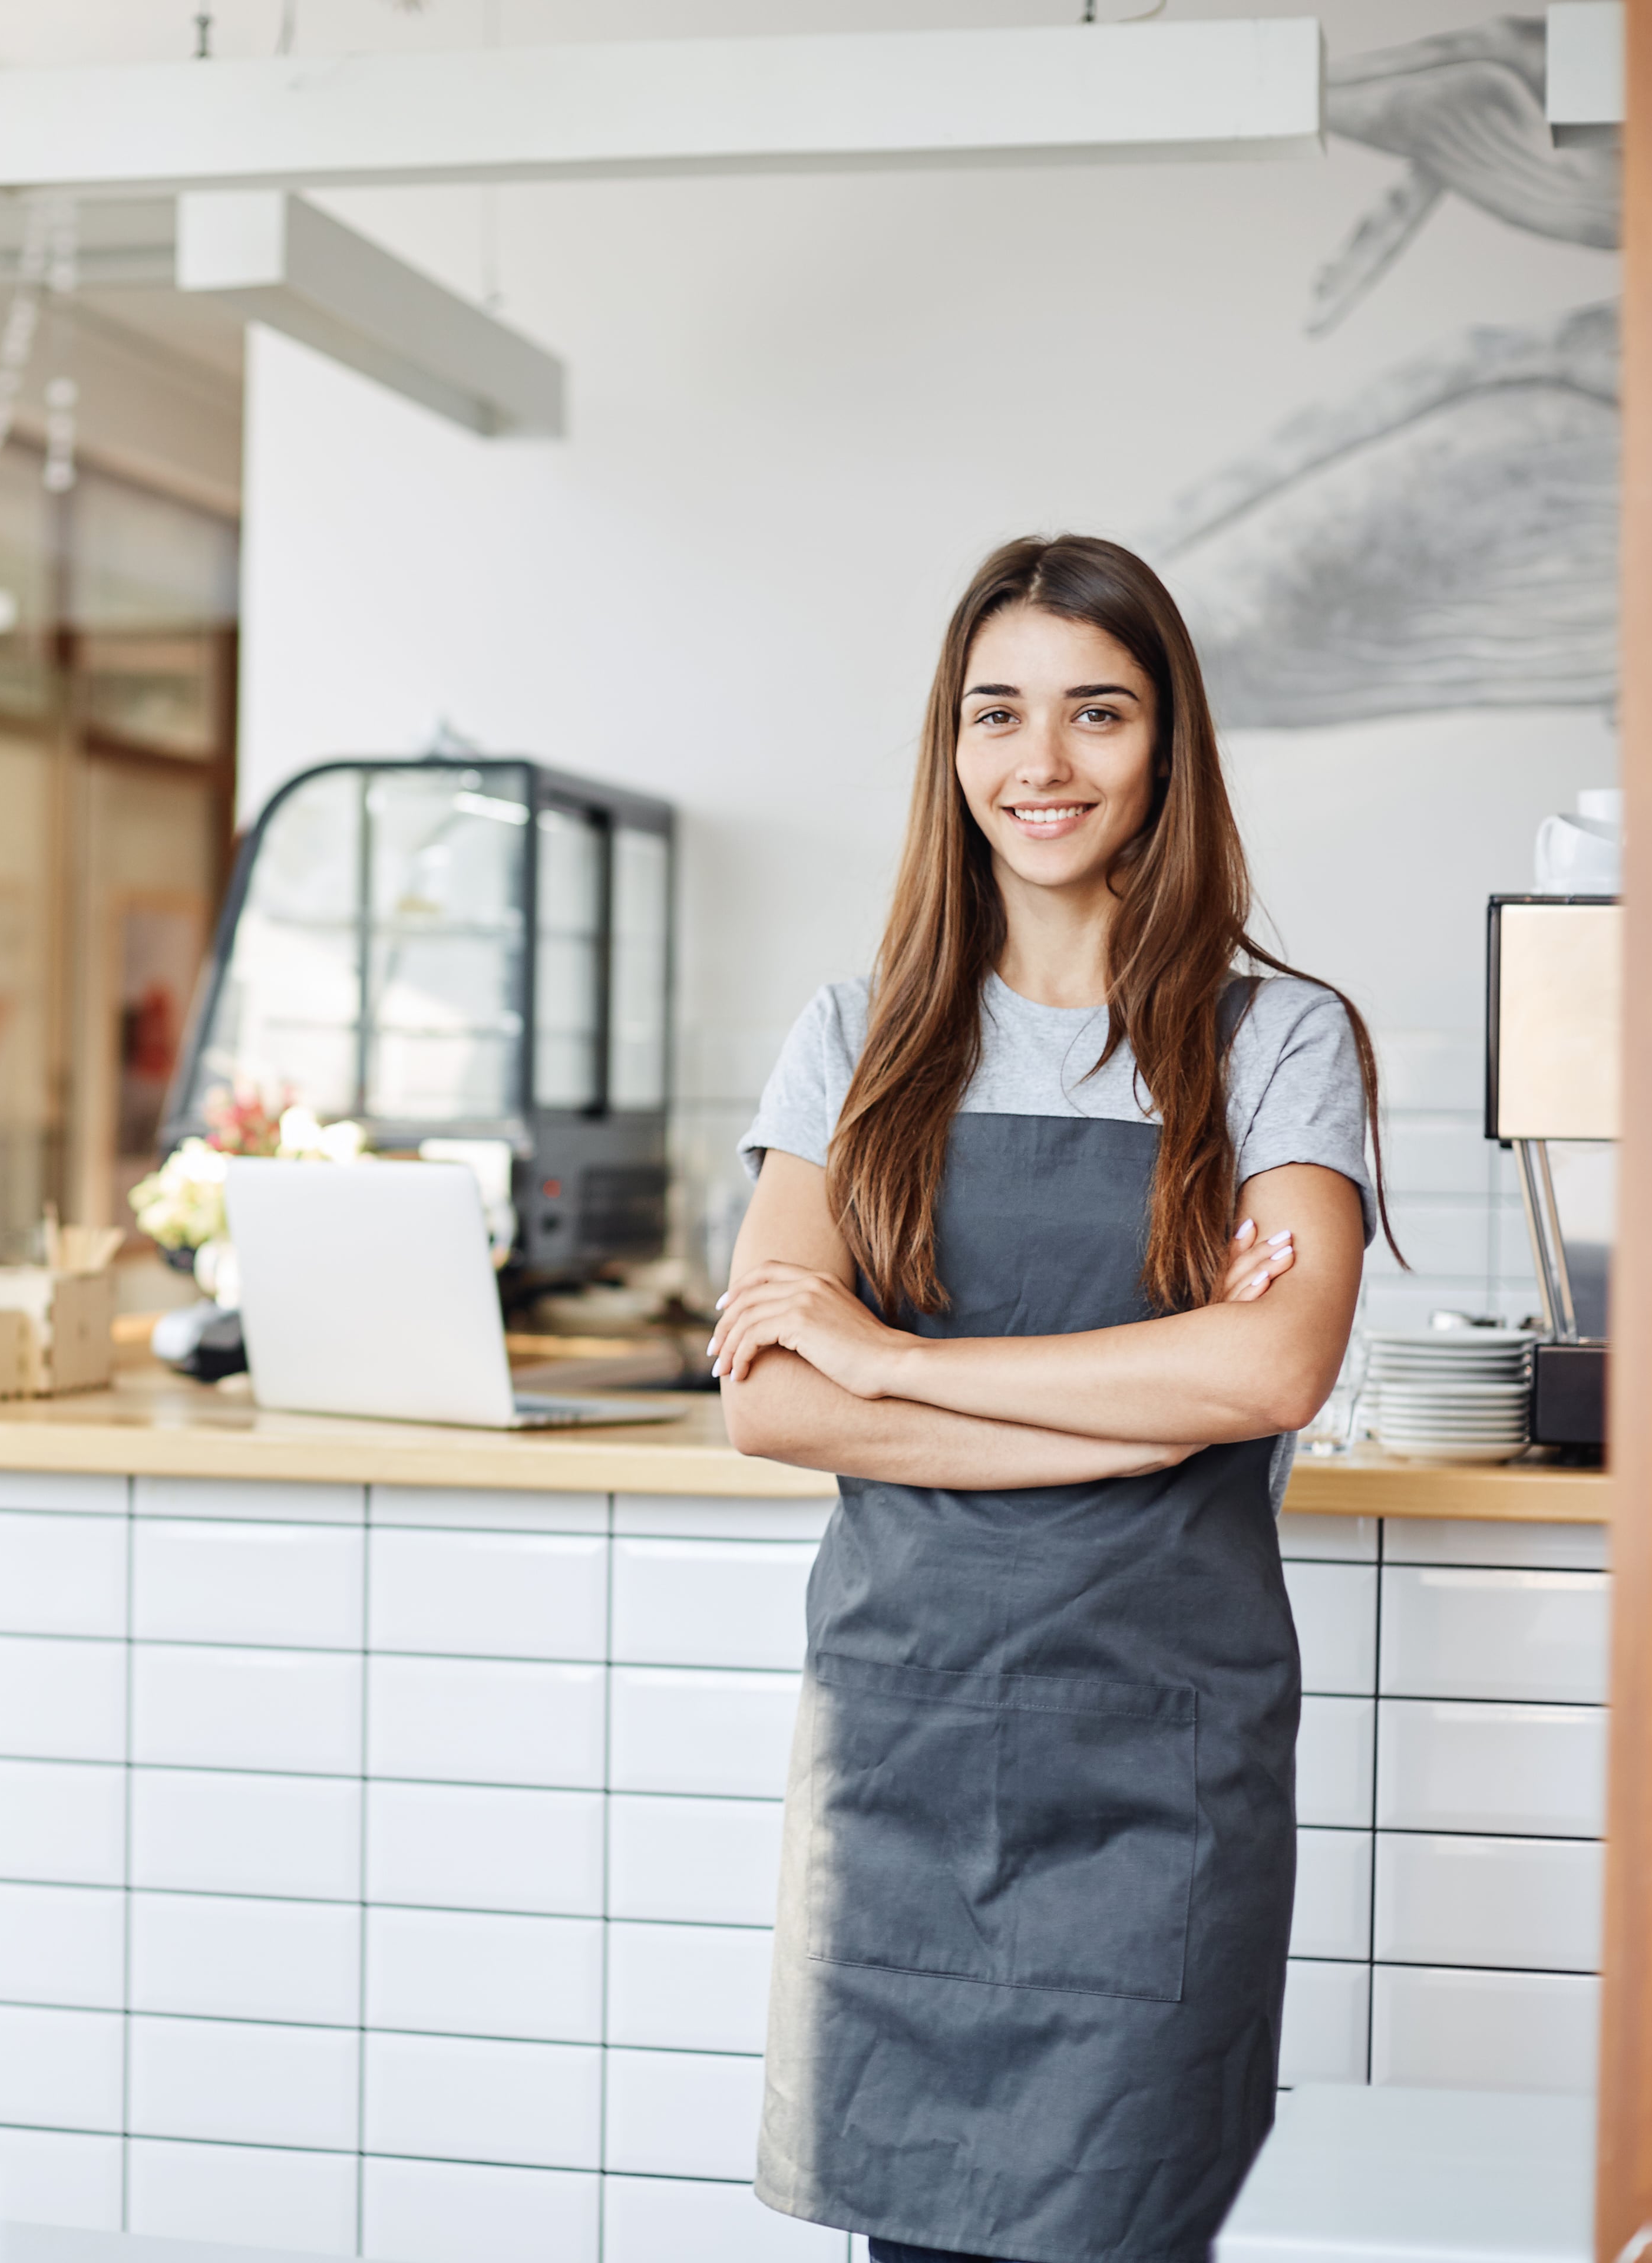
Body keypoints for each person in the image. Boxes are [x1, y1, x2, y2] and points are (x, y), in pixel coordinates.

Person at [708, 533, 1385, 2263]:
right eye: (998, 714)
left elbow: (1273, 1366)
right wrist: (1146, 1408)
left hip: (1164, 1768)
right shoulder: (857, 1038)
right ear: (952, 748)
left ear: (1167, 746)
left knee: (1132, 2235)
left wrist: (902, 1361)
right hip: (910, 1744)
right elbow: (776, 1400)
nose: (1043, 763)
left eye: (1098, 713)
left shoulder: (1279, 1040)